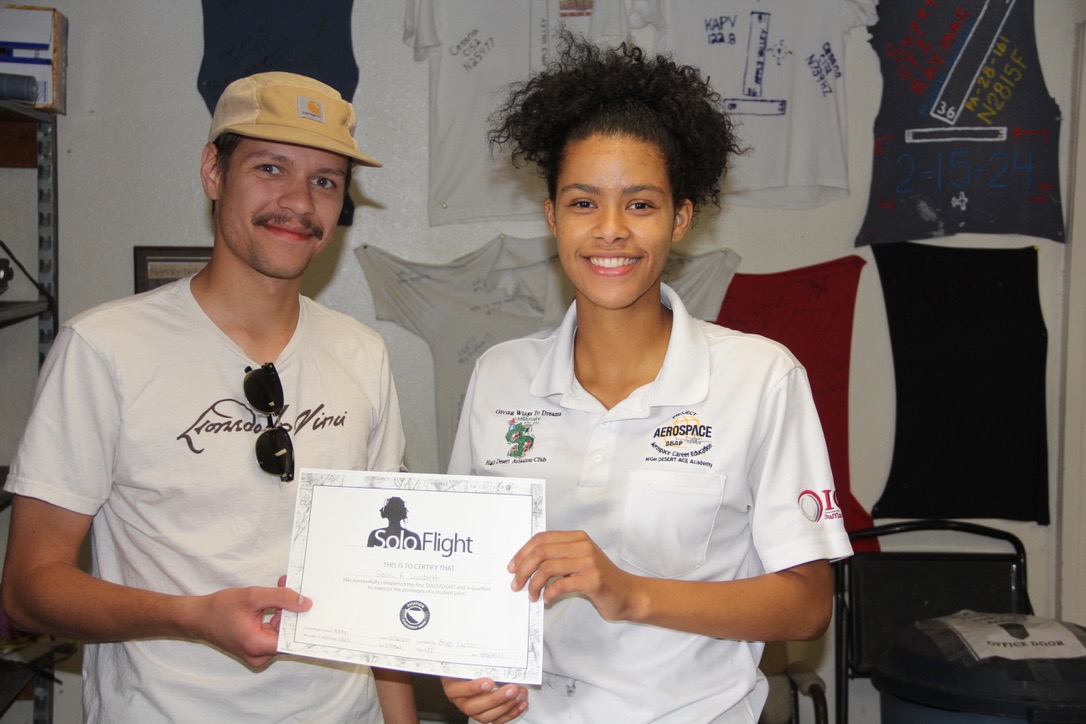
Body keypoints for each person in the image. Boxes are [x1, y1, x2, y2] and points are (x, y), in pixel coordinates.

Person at [440, 34, 854, 724]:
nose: (610, 231)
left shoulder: (759, 377)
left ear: (680, 219)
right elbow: (466, 573)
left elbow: (808, 605)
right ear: (551, 216)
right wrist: (460, 668)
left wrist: (631, 592)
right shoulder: (499, 376)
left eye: (639, 204)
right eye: (582, 203)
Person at [1, 72, 416, 722]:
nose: (299, 202)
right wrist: (192, 617)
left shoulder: (362, 354)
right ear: (213, 172)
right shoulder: (106, 348)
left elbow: (379, 573)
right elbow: (29, 588)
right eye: (271, 167)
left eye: (325, 181)